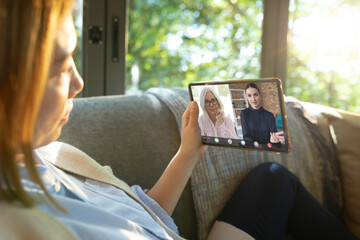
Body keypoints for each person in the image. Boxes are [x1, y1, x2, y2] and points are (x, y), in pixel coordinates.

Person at [0, 1, 358, 240]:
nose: (79, 83)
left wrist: (189, 152)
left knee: (274, 179)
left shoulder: (52, 155)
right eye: (61, 67)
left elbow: (143, 214)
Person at [240, 83, 284, 147]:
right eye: (249, 95)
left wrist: (274, 141)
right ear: (246, 97)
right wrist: (258, 146)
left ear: (259, 95)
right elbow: (246, 137)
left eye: (255, 95)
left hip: (268, 149)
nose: (253, 99)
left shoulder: (269, 115)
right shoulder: (244, 113)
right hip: (253, 150)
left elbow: (275, 140)